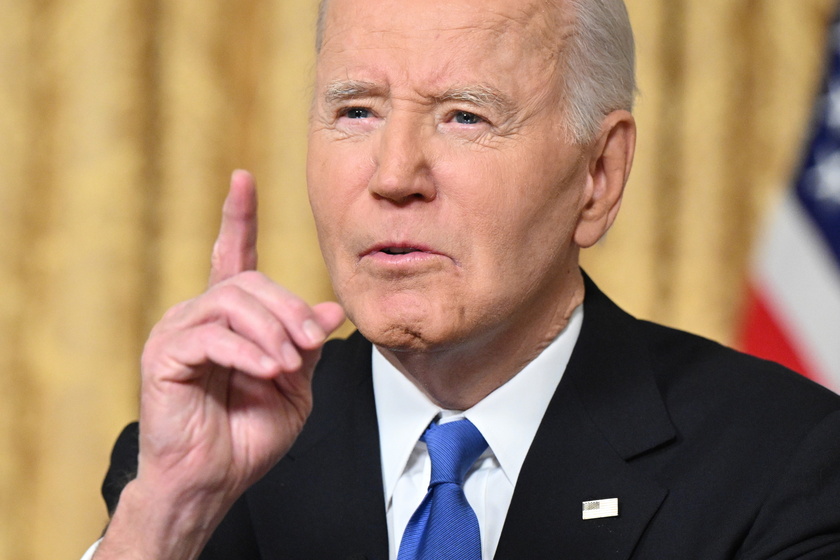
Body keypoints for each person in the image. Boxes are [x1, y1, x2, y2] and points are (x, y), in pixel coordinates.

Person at [86, 0, 840, 558]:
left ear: (599, 176)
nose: (393, 175)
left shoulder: (783, 466)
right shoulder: (197, 466)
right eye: (356, 111)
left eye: (463, 118)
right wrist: (167, 514)